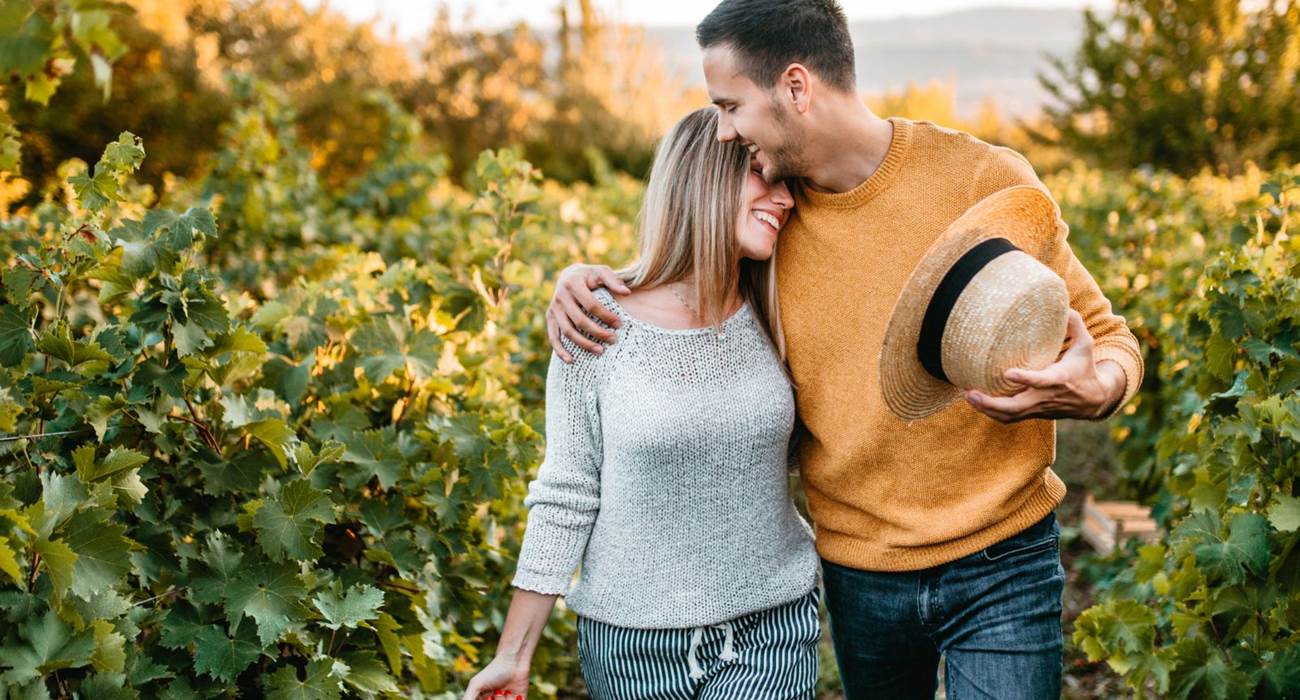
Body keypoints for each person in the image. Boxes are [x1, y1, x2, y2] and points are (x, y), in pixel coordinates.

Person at [545, 1, 1145, 698]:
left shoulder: (982, 182)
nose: (723, 126)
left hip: (1002, 557)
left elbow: (1110, 338)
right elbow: (685, 279)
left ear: (796, 88)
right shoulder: (770, 223)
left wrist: (1099, 388)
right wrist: (590, 282)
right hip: (863, 577)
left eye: (731, 104)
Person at [462, 107, 822, 700]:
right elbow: (567, 494)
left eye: (789, 183)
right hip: (630, 648)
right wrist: (513, 656)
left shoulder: (780, 308)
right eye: (763, 174)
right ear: (702, 178)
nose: (784, 198)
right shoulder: (594, 322)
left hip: (771, 629)